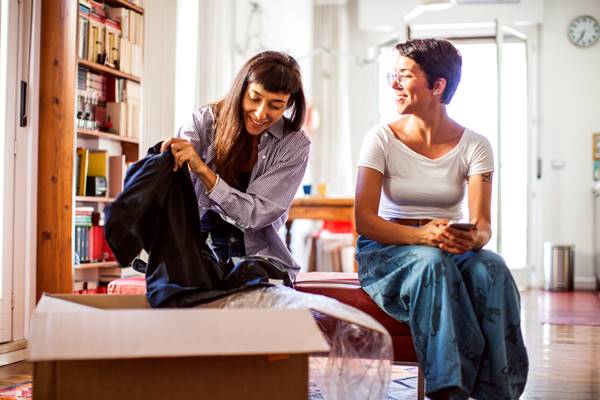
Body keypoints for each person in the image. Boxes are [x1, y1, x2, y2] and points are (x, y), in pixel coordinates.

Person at [354, 39, 528, 399]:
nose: (394, 85)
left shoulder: (475, 145)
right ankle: (448, 390)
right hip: (387, 250)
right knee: (432, 263)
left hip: (446, 247)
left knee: (492, 268)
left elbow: (483, 226)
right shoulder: (380, 139)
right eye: (393, 75)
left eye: (404, 76)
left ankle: (501, 391)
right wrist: (422, 237)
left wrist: (473, 239)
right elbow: (365, 221)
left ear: (437, 85)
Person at [161, 50, 309, 279]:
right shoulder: (203, 122)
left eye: (276, 105)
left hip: (259, 256)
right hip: (195, 246)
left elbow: (255, 216)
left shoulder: (295, 144)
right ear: (241, 90)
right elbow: (171, 185)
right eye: (254, 98)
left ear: (289, 104)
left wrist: (203, 171)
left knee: (259, 290)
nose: (261, 113)